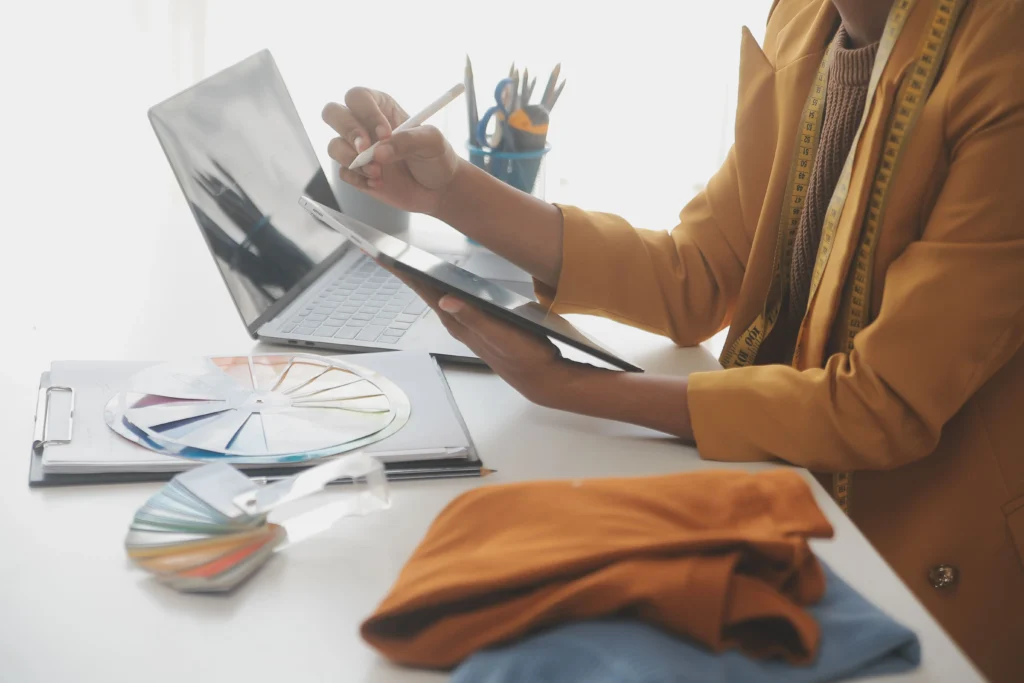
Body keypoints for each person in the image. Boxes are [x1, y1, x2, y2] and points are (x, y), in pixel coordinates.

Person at [321, 0, 1023, 679]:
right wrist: (449, 190)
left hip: (917, 574)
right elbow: (698, 273)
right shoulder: (806, 18)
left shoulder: (1003, 49)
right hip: (782, 499)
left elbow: (882, 402)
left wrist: (571, 387)